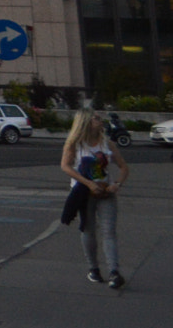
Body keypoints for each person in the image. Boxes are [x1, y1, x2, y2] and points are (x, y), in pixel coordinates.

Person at [61, 108, 130, 288]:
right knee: (89, 230)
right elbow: (66, 166)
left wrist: (117, 184)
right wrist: (88, 183)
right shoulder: (75, 144)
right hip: (84, 193)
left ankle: (114, 272)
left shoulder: (107, 143)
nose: (100, 121)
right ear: (85, 122)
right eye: (96, 118)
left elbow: (123, 167)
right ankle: (94, 269)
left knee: (109, 231)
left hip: (106, 192)